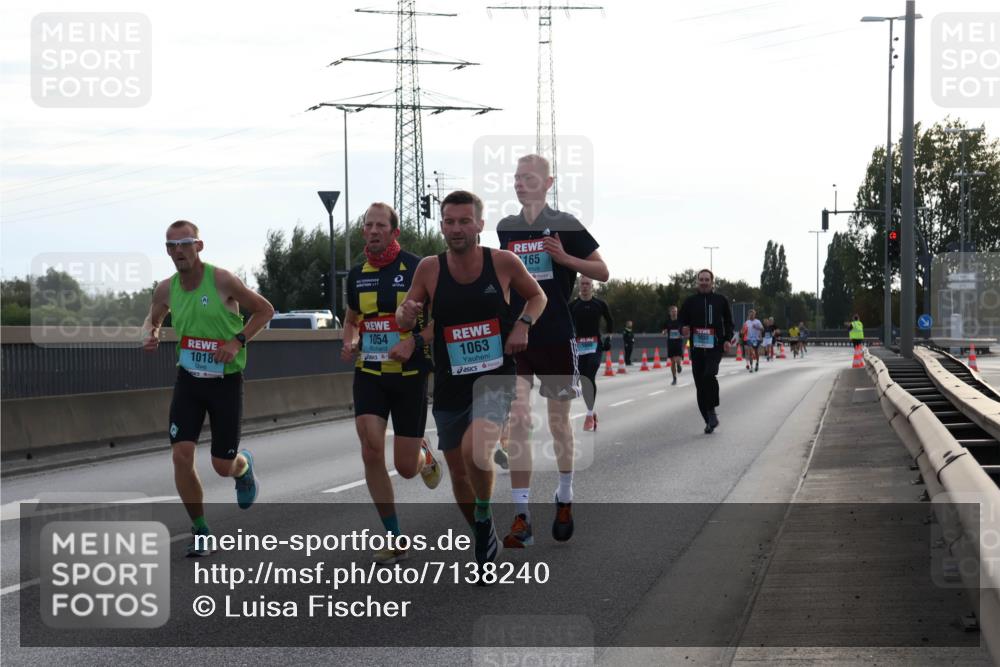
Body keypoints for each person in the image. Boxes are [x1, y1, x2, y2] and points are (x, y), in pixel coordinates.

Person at [396, 190, 546, 568]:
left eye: (465, 221)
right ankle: (484, 531)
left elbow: (537, 297)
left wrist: (523, 326)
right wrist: (407, 313)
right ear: (442, 225)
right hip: (449, 382)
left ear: (480, 224)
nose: (457, 228)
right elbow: (405, 317)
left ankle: (483, 512)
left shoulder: (504, 262)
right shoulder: (430, 269)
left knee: (474, 450)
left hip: (495, 376)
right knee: (459, 474)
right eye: (449, 221)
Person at [496, 154, 608, 549]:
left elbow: (602, 271)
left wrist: (564, 259)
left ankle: (564, 495)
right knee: (519, 419)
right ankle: (522, 515)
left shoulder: (565, 224)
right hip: (520, 338)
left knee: (559, 423)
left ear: (548, 182)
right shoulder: (506, 229)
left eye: (528, 177)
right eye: (516, 178)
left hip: (558, 337)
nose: (520, 183)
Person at [142, 220, 274, 556]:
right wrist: (152, 332)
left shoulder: (222, 280)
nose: (178, 251)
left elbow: (265, 310)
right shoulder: (165, 288)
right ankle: (201, 529)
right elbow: (153, 317)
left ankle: (242, 467)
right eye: (171, 245)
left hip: (225, 382)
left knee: (221, 465)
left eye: (185, 243)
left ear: (199, 246)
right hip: (188, 379)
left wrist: (237, 340)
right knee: (181, 455)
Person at [342, 203, 442, 566]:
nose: (372, 231)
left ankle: (423, 453)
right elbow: (352, 319)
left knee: (405, 468)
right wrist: (349, 340)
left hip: (410, 373)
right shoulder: (356, 275)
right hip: (369, 371)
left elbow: (442, 321)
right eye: (367, 225)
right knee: (370, 448)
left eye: (380, 225)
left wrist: (415, 341)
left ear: (394, 232)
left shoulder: (418, 268)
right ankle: (394, 535)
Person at [677, 269, 734, 434]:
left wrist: (727, 339)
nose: (703, 282)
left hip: (715, 347)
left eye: (706, 279)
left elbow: (729, 322)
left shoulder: (720, 300)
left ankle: (712, 409)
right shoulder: (690, 301)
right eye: (701, 279)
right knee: (700, 385)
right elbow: (681, 321)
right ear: (697, 282)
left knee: (709, 375)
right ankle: (709, 420)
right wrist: (683, 328)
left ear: (712, 282)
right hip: (696, 348)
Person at [569, 276, 614, 431]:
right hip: (579, 346)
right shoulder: (573, 305)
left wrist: (608, 338)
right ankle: (592, 410)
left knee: (591, 373)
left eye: (588, 284)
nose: (585, 287)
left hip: (595, 345)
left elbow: (610, 321)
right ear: (579, 286)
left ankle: (588, 414)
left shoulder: (599, 304)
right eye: (582, 284)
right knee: (584, 378)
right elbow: (567, 325)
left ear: (592, 286)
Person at [661, 305, 684, 385]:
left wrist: (683, 333)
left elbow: (685, 330)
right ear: (670, 313)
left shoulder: (681, 321)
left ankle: (679, 365)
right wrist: (664, 332)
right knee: (672, 362)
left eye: (675, 311)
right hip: (670, 343)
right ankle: (674, 378)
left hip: (678, 342)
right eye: (673, 311)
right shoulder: (667, 322)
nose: (674, 313)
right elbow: (663, 331)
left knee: (677, 358)